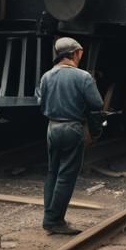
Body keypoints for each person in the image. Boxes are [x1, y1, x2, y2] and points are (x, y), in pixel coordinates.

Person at [35, 36, 103, 235]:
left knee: (53, 172)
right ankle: (54, 220)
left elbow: (40, 102)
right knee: (66, 175)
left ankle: (49, 216)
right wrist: (94, 129)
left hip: (52, 127)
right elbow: (97, 104)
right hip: (72, 128)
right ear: (75, 53)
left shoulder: (47, 76)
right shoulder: (83, 77)